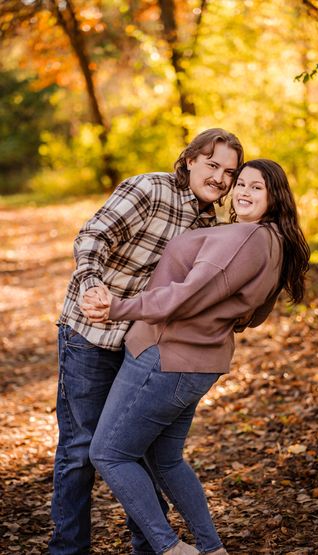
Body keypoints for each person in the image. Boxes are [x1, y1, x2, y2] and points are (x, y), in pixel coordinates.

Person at [81, 159, 311, 555]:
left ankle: (169, 548)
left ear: (275, 196)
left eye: (256, 187)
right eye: (240, 184)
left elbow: (185, 294)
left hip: (164, 357)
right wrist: (215, 320)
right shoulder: (275, 242)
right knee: (166, 460)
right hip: (199, 363)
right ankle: (211, 548)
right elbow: (251, 315)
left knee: (108, 454)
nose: (242, 191)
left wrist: (118, 307)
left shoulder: (242, 237)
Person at [49, 128, 244, 555]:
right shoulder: (150, 189)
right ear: (190, 159)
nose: (219, 178)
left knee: (134, 448)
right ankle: (67, 549)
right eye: (212, 165)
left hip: (144, 350)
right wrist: (91, 284)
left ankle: (149, 548)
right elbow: (92, 236)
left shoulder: (213, 222)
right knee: (81, 452)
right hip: (91, 335)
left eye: (229, 172)